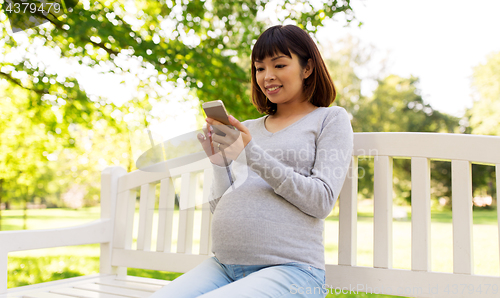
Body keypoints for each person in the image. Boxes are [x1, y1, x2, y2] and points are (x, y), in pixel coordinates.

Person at [151, 24, 353, 298]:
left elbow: (322, 201)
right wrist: (219, 162)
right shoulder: (249, 128)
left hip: (293, 271)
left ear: (307, 69)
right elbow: (220, 205)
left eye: (279, 65)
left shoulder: (330, 119)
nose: (267, 76)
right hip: (224, 267)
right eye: (259, 68)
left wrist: (251, 153)